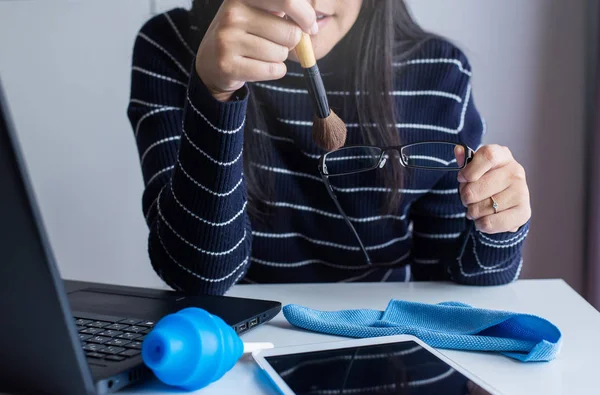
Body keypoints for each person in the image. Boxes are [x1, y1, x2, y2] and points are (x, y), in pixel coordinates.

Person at [127, 0, 531, 296]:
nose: (306, 3)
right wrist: (215, 93)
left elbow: (450, 283)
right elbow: (197, 275)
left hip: (388, 351)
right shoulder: (174, 47)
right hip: (232, 355)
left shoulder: (438, 74)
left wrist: (501, 224)